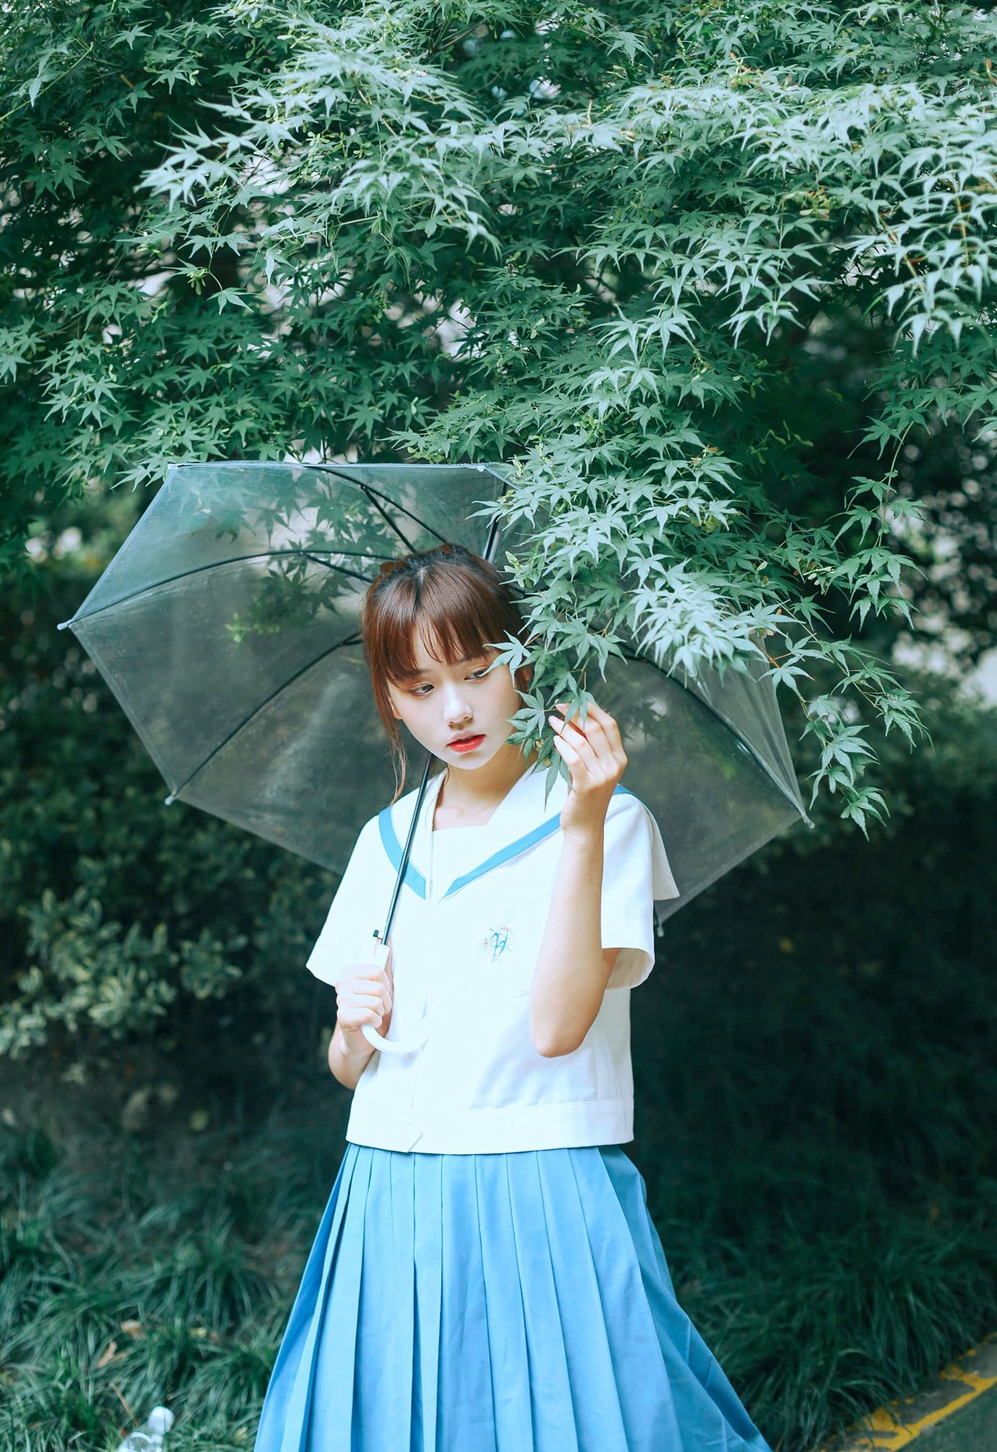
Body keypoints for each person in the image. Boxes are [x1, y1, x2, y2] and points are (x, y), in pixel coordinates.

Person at [253, 544, 773, 1452]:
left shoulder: (608, 818)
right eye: (416, 686)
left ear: (522, 661)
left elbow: (558, 1026)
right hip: (389, 1184)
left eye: (475, 671)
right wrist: (350, 1026)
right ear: (388, 697)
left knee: (586, 1422)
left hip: (541, 1172)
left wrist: (579, 821)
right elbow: (349, 1070)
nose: (452, 710)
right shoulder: (386, 840)